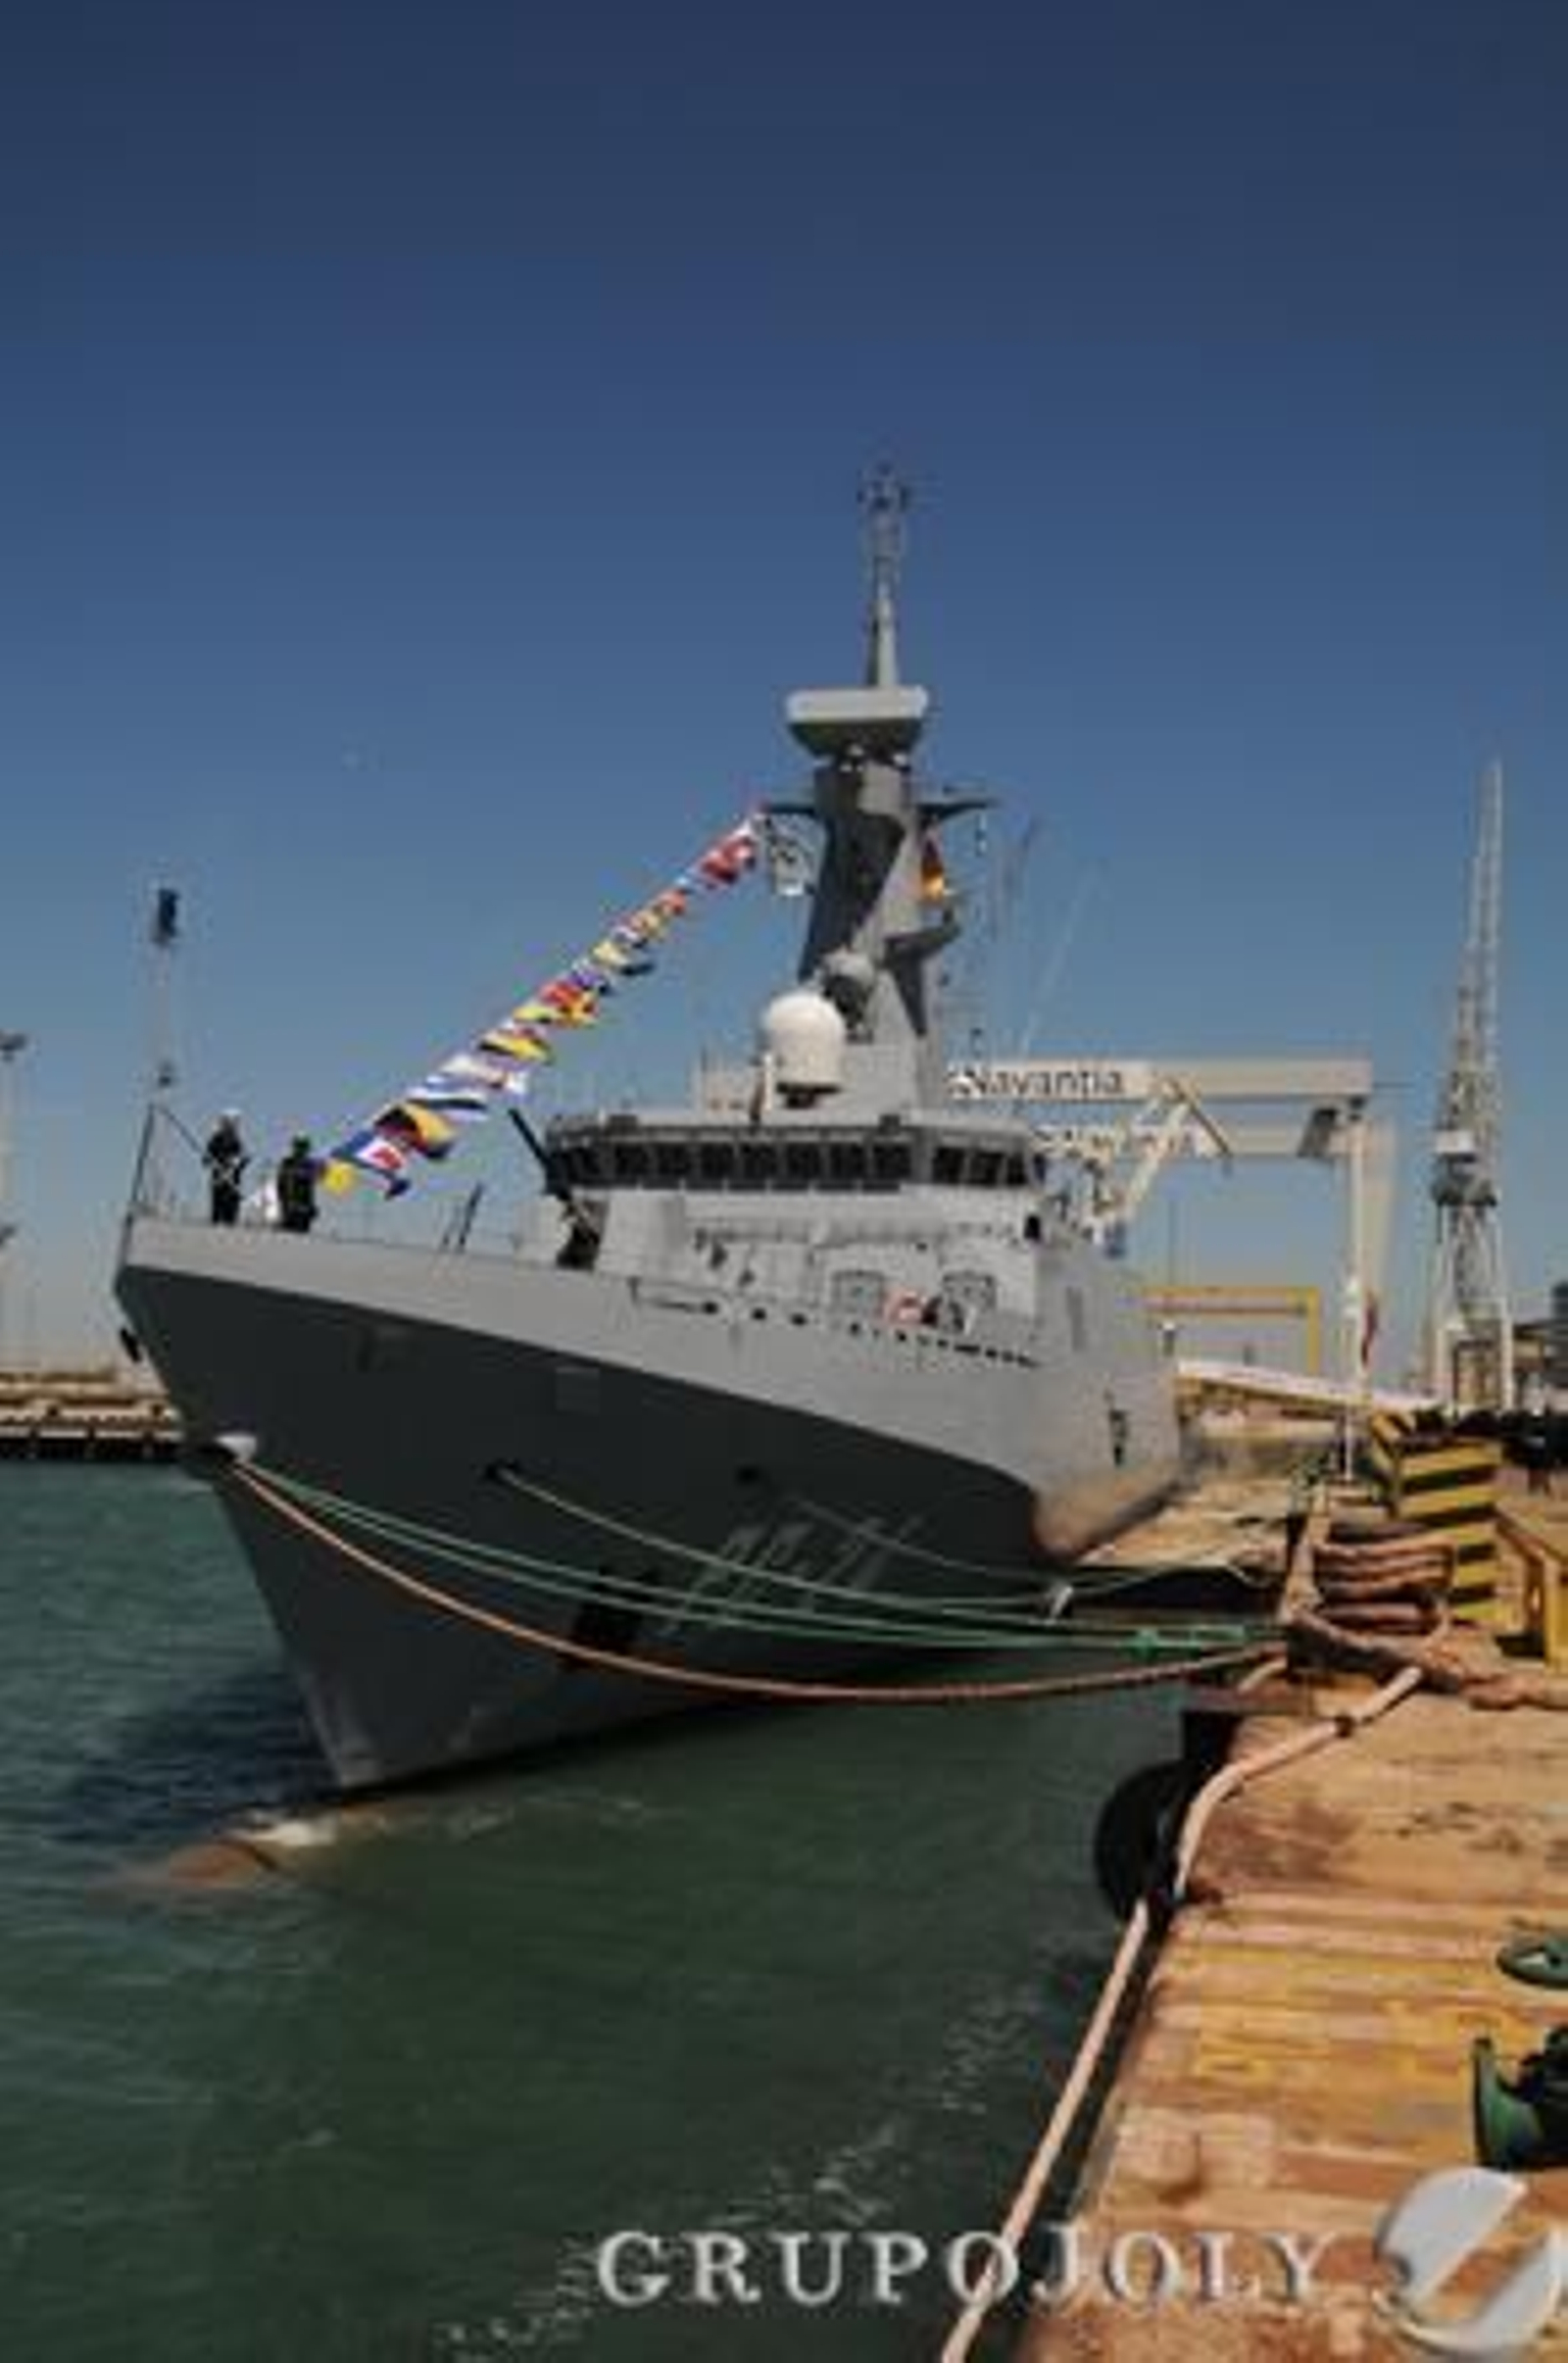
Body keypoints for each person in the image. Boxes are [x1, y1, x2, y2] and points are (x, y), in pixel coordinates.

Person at [204, 1111, 248, 1225]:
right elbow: (206, 1159)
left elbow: (244, 1158)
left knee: (231, 1213)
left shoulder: (237, 1141)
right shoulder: (215, 1140)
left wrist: (238, 1162)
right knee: (217, 1210)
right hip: (218, 1181)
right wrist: (211, 1161)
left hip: (233, 1182)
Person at [275, 1135, 320, 1235]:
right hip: (290, 1208)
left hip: (304, 1208)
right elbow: (281, 1185)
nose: (301, 1150)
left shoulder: (310, 1164)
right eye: (299, 1146)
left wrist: (311, 1207)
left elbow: (311, 1187)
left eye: (304, 1147)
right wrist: (286, 1204)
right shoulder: (287, 1163)